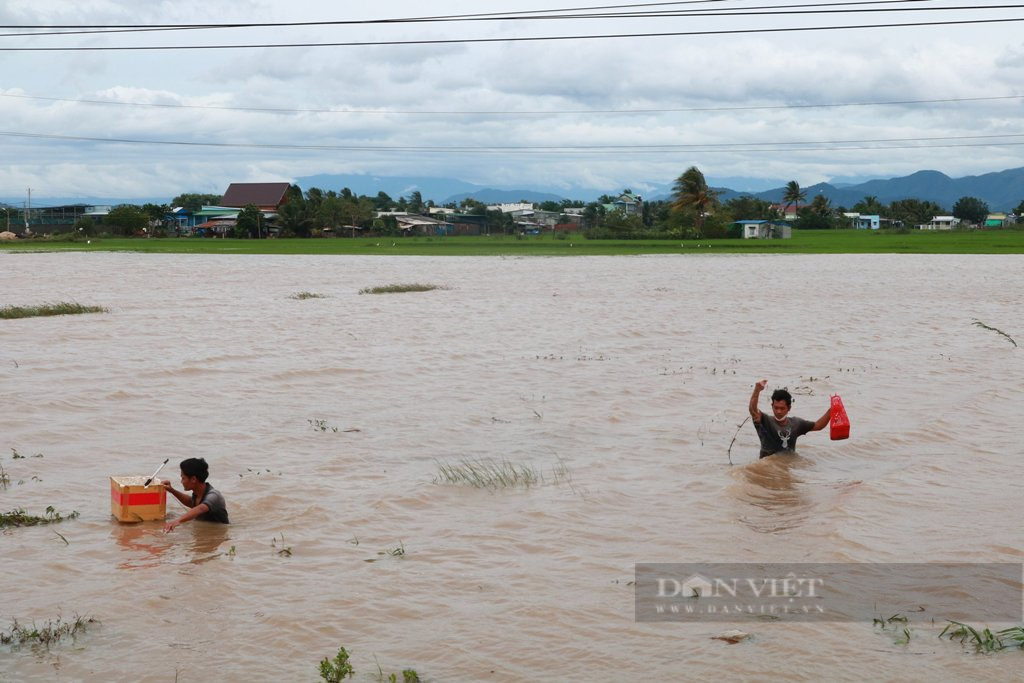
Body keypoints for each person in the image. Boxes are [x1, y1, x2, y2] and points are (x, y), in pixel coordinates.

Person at [749, 379, 832, 459]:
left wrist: (831, 411)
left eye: (782, 408)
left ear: (789, 408)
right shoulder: (765, 421)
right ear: (772, 406)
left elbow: (818, 426)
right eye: (776, 408)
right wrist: (757, 389)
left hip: (786, 468)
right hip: (768, 468)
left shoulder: (796, 423)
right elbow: (753, 410)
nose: (778, 411)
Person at [162, 457, 229, 532]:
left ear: (193, 479)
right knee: (170, 515)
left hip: (218, 535)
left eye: (183, 478)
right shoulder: (197, 494)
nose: (181, 481)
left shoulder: (214, 495)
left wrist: (178, 521)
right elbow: (191, 502)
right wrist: (172, 490)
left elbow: (201, 508)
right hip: (204, 531)